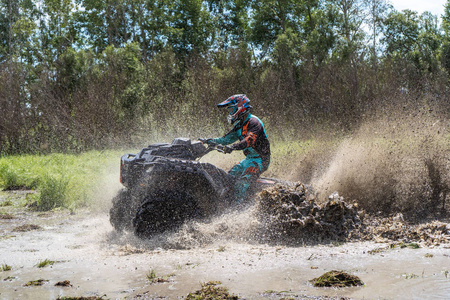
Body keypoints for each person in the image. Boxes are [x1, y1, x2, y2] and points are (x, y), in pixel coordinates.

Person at [205, 94, 271, 203]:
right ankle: (227, 204)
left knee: (241, 185)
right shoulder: (239, 125)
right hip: (248, 159)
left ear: (240, 108)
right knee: (227, 179)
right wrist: (208, 141)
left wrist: (232, 147)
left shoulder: (254, 122)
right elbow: (225, 139)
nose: (230, 113)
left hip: (260, 160)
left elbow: (249, 140)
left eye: (232, 110)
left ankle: (239, 212)